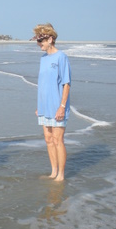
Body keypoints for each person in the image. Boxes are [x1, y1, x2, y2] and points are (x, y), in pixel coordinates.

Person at [32, 23, 71, 181]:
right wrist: (39, 106)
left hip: (57, 106)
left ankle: (61, 175)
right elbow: (44, 83)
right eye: (37, 41)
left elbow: (66, 83)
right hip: (44, 106)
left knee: (57, 140)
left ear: (50, 39)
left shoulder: (61, 57)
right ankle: (53, 172)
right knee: (48, 140)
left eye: (41, 41)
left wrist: (62, 107)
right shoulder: (43, 58)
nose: (39, 44)